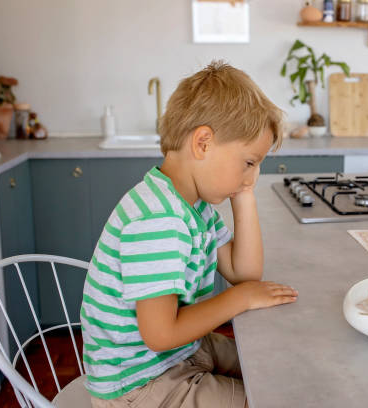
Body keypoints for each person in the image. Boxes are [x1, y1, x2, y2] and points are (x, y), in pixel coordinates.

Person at [81, 61, 298, 407]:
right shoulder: (158, 220)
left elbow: (244, 273)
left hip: (178, 354)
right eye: (249, 163)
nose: (252, 176)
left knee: (274, 365)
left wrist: (244, 193)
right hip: (140, 385)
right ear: (203, 143)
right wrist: (239, 299)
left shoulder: (194, 207)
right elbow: (160, 333)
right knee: (268, 398)